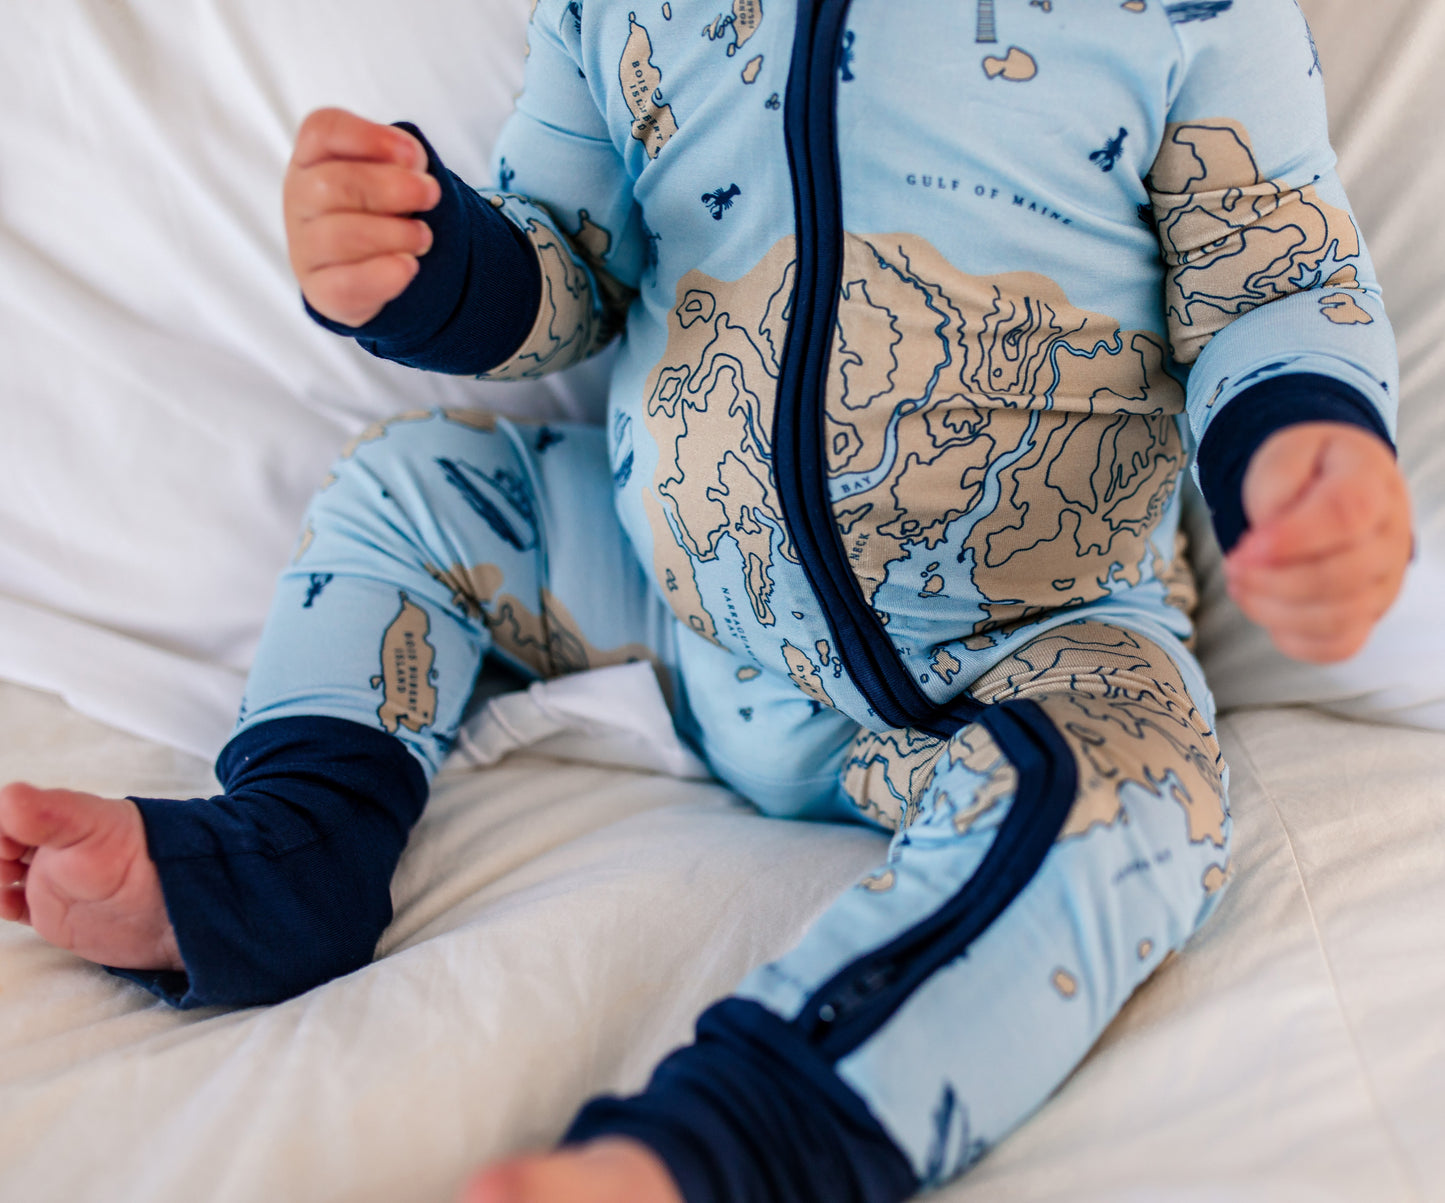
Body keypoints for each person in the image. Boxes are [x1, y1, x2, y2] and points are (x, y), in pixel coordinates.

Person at [0, 3, 1413, 1201]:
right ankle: (283, 855)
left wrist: (1309, 458)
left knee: (1141, 802)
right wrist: (430, 265)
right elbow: (569, 273)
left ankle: (730, 1143)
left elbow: (1275, 281)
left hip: (1039, 638)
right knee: (414, 494)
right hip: (681, 590)